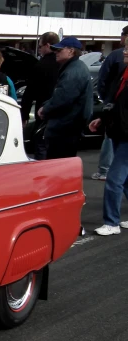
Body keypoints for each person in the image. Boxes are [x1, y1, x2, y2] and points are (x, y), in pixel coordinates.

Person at [88, 45, 128, 235]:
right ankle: (112, 221)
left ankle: (111, 222)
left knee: (114, 179)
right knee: (124, 180)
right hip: (119, 132)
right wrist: (103, 119)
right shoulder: (123, 74)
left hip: (126, 135)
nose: (124, 52)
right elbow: (116, 104)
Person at [38, 37, 93, 160]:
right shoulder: (75, 67)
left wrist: (45, 109)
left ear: (71, 51)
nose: (56, 52)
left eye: (59, 50)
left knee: (58, 166)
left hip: (65, 129)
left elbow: (63, 98)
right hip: (68, 127)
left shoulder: (73, 71)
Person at [93, 25, 128, 180]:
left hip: (115, 109)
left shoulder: (115, 56)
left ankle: (104, 170)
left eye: (122, 34)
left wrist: (107, 99)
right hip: (117, 110)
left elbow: (102, 80)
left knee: (111, 138)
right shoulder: (117, 57)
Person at [20, 31, 61, 160]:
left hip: (43, 111)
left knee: (41, 144)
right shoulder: (64, 64)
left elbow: (30, 92)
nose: (39, 49)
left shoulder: (40, 65)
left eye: (40, 46)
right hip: (62, 111)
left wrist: (24, 115)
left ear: (47, 45)